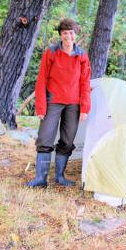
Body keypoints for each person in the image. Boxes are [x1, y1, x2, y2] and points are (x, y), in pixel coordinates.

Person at [27, 18, 91, 188]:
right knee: (45, 137)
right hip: (53, 101)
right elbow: (41, 80)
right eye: (64, 33)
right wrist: (41, 106)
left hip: (74, 104)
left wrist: (85, 107)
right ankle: (41, 179)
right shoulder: (52, 52)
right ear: (60, 35)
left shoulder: (82, 55)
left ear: (75, 35)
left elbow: (85, 82)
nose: (68, 36)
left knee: (68, 140)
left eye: (71, 33)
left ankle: (60, 177)